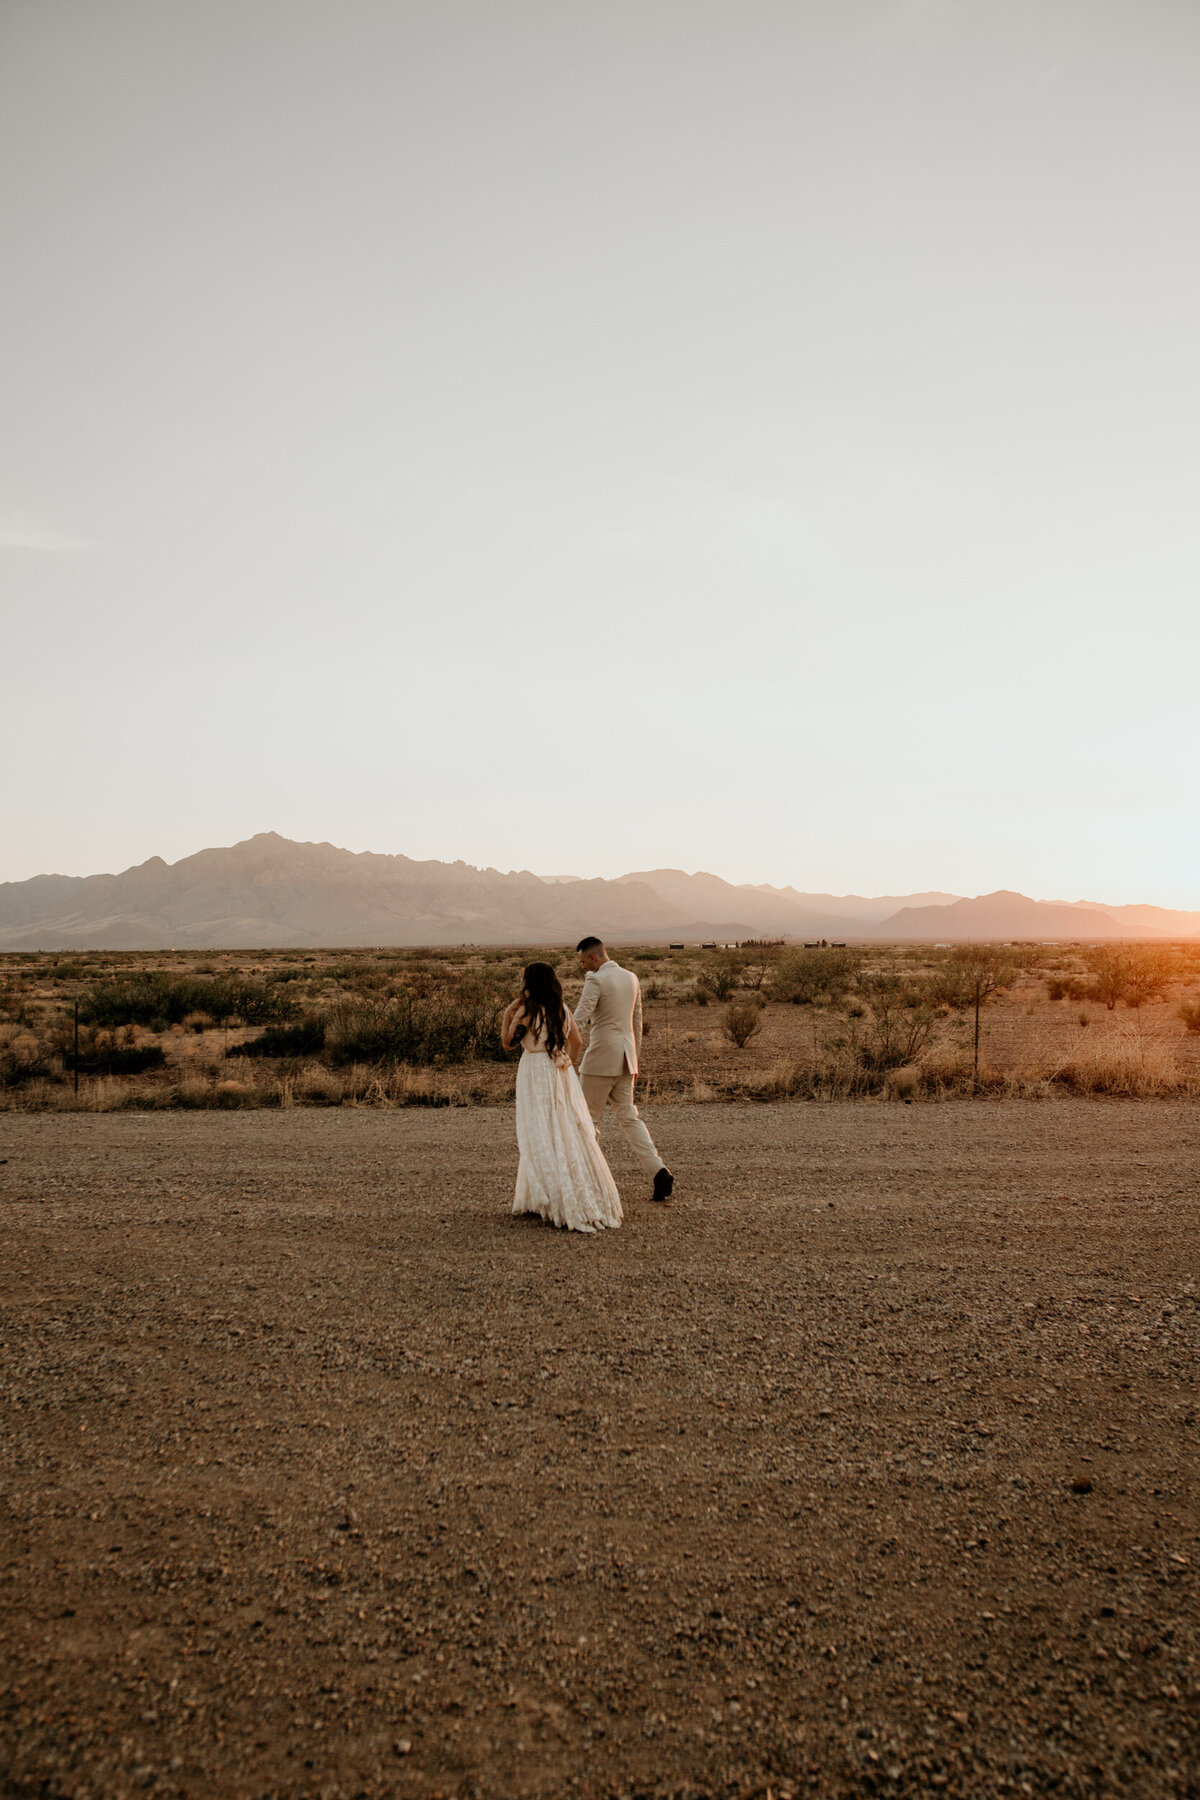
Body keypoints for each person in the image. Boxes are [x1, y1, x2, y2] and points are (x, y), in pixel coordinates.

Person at [502, 961, 623, 1234]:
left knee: (539, 1130)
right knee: (564, 1127)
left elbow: (508, 1043)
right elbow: (577, 1042)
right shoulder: (561, 1010)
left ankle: (548, 1194)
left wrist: (508, 1012)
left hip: (534, 1070)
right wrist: (568, 1061)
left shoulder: (525, 1013)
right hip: (558, 1071)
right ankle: (559, 1192)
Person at [574, 936, 674, 1202]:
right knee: (630, 1117)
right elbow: (637, 1022)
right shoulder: (631, 977)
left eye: (583, 961)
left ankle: (589, 1180)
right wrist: (635, 1059)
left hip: (599, 1061)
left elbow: (579, 1020)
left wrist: (561, 1048)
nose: (583, 966)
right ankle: (658, 1170)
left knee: (588, 1121)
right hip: (626, 1060)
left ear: (593, 957)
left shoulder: (595, 980)